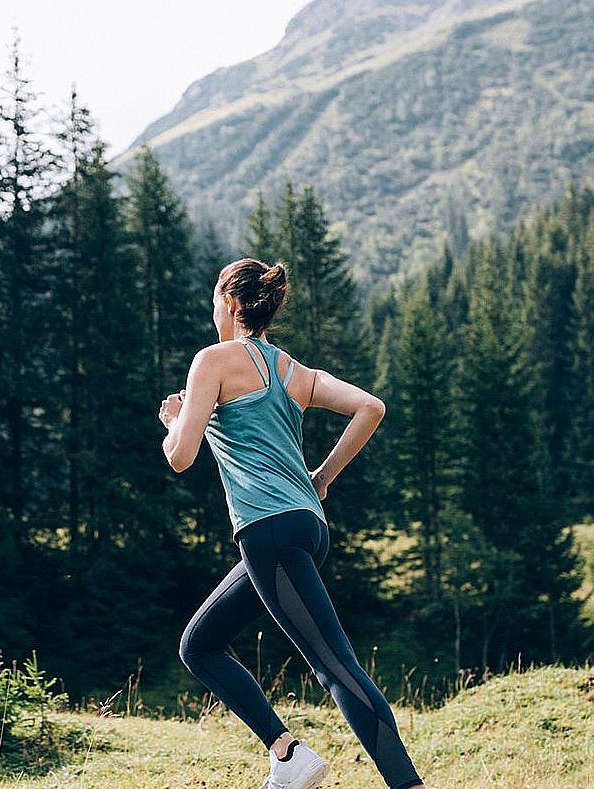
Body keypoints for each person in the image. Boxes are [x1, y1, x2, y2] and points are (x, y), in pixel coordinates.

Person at [158, 257, 426, 789]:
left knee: (334, 665)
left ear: (230, 303)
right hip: (304, 525)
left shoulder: (212, 361)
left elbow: (181, 456)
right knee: (199, 645)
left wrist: (173, 422)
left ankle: (408, 784)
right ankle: (286, 753)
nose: (213, 313)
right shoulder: (294, 371)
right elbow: (370, 408)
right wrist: (321, 478)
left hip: (268, 529)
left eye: (214, 303)